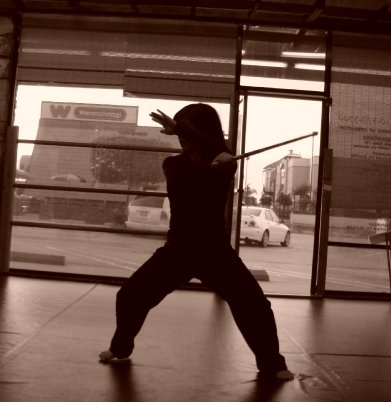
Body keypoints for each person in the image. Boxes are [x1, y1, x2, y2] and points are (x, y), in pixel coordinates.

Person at [99, 103, 293, 381]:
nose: (180, 136)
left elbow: (216, 151)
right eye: (179, 130)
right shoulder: (173, 165)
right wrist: (205, 159)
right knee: (129, 296)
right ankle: (120, 348)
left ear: (204, 131)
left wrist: (219, 164)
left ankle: (272, 364)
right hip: (178, 251)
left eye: (187, 130)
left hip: (215, 252)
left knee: (255, 305)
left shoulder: (225, 161)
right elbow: (190, 184)